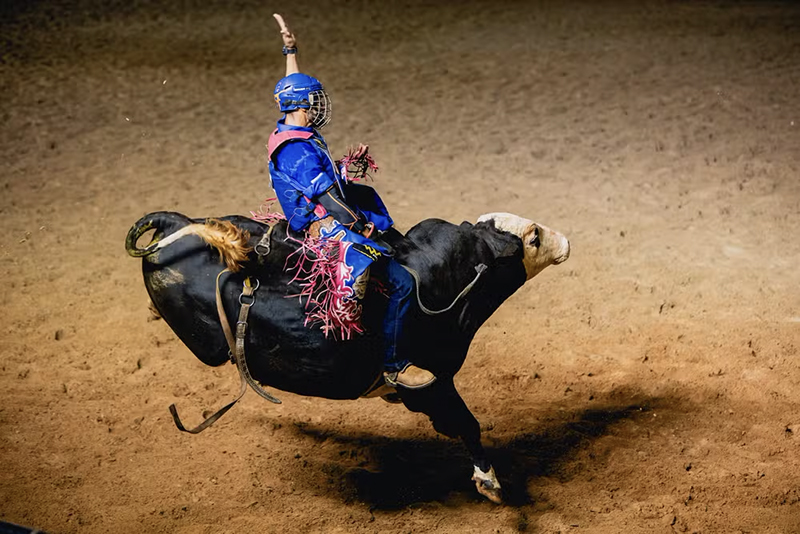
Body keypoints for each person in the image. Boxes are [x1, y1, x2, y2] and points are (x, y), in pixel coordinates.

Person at [266, 14, 436, 389]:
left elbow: (290, 91)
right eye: (312, 102)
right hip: (324, 226)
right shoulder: (296, 150)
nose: (318, 106)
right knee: (400, 284)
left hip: (327, 208)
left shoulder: (296, 130)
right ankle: (394, 366)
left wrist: (290, 51)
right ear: (300, 106)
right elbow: (326, 196)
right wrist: (361, 226)